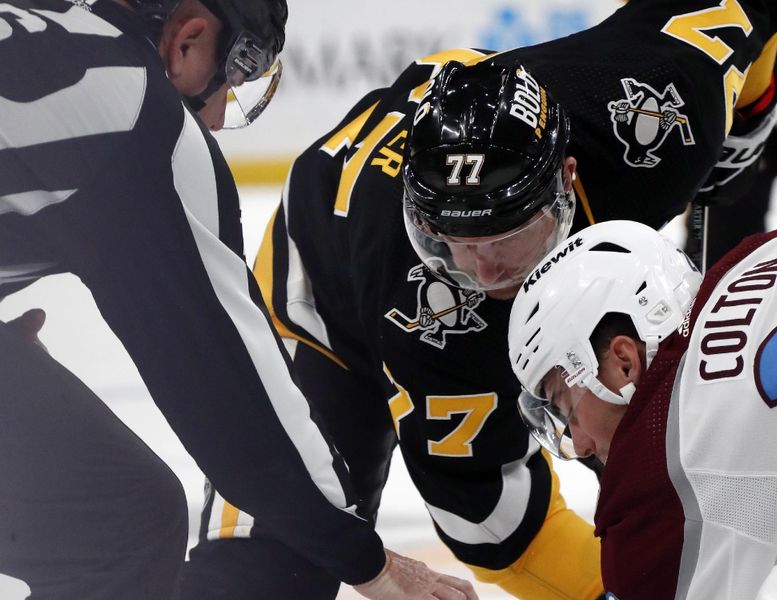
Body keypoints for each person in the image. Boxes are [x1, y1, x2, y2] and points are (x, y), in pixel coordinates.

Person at [182, 0, 777, 598]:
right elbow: (492, 522)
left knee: (648, 431)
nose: (478, 270)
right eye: (449, 239)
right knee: (267, 569)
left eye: (505, 237)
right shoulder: (432, 312)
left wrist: (749, 104)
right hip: (328, 304)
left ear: (568, 180)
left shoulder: (659, 115)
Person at [0, 1, 477, 599]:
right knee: (123, 522)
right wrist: (366, 560)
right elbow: (232, 398)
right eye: (238, 70)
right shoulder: (134, 116)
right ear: (188, 40)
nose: (221, 115)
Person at [509, 219, 777, 599]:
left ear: (623, 363)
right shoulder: (756, 255)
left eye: (569, 408)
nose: (579, 445)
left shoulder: (667, 481)